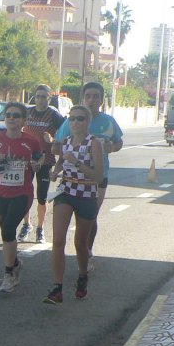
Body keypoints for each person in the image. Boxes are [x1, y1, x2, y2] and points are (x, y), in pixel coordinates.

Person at [53, 82, 122, 270]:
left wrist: (112, 148)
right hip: (72, 179)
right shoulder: (72, 119)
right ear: (83, 98)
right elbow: (58, 144)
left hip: (98, 176)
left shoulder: (108, 121)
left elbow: (118, 142)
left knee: (92, 216)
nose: (92, 100)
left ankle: (87, 251)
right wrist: (58, 165)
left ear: (101, 99)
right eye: (88, 96)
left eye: (96, 96)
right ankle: (83, 253)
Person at [44, 105, 104, 305]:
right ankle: (57, 288)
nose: (75, 123)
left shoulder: (93, 143)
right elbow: (62, 160)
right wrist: (55, 171)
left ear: (87, 122)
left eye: (80, 119)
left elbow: (98, 176)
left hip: (86, 194)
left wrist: (77, 163)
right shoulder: (67, 141)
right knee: (58, 240)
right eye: (72, 119)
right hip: (66, 192)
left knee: (80, 243)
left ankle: (82, 276)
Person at [0, 102, 43, 294]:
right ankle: (15, 263)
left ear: (23, 120)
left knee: (8, 230)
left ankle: (8, 275)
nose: (11, 118)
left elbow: (41, 158)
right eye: (8, 115)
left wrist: (37, 164)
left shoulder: (31, 141)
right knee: (6, 234)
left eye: (16, 115)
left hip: (22, 193)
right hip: (0, 193)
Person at [17, 84, 64, 244]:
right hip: (26, 159)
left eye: (44, 96)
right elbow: (17, 129)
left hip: (46, 159)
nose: (40, 99)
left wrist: (52, 140)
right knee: (24, 195)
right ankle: (26, 224)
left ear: (49, 98)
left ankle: (40, 228)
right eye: (38, 96)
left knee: (42, 197)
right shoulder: (28, 112)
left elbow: (65, 134)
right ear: (34, 97)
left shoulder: (54, 115)